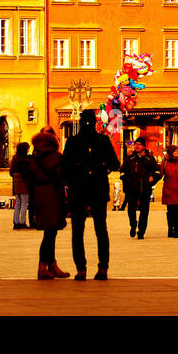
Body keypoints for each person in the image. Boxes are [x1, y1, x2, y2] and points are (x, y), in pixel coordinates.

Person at [62, 109, 120, 280]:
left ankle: (81, 269)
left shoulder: (72, 141)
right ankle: (103, 268)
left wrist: (74, 175)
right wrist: (102, 169)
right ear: (95, 123)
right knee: (101, 230)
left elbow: (65, 167)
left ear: (80, 123)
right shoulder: (103, 140)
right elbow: (115, 164)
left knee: (78, 232)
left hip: (78, 190)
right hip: (98, 189)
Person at [26, 127, 69, 280]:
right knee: (50, 234)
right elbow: (62, 178)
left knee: (49, 233)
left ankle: (51, 265)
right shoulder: (56, 158)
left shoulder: (33, 159)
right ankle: (43, 267)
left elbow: (28, 180)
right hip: (53, 196)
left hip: (39, 196)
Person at [120, 137, 161, 239]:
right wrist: (126, 179)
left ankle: (141, 231)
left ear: (144, 146)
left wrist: (152, 180)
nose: (137, 146)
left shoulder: (150, 158)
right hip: (131, 189)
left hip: (145, 189)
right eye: (135, 144)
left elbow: (157, 172)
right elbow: (122, 171)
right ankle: (133, 225)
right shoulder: (129, 158)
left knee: (144, 211)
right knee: (131, 210)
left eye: (139, 144)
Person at [9, 142, 32, 229]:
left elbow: (11, 172)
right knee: (24, 203)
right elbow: (26, 173)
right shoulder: (24, 159)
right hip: (23, 184)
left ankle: (16, 222)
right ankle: (22, 222)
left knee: (18, 203)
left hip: (16, 183)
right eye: (28, 148)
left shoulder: (15, 158)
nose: (29, 150)